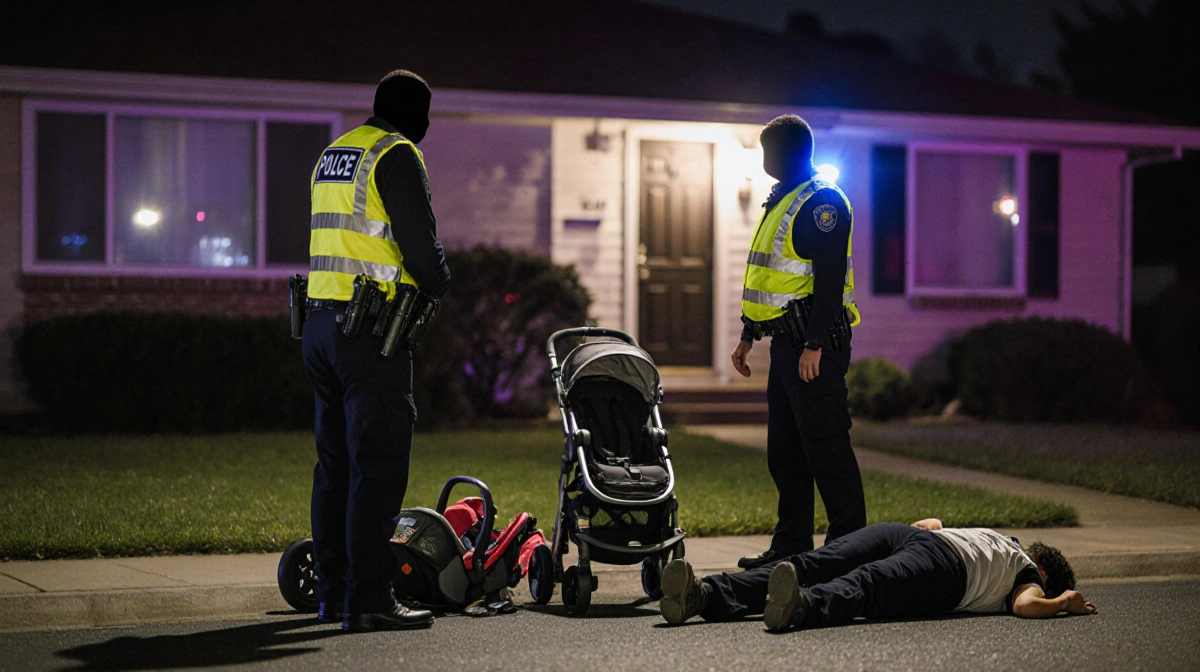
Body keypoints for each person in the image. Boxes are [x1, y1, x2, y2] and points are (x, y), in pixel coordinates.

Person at [302, 69, 451, 632]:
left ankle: (334, 594)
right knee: (379, 464)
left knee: (335, 467)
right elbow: (420, 251)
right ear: (416, 114)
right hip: (369, 334)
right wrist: (439, 279)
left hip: (320, 326)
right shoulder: (397, 154)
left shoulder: (335, 153)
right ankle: (370, 599)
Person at [731, 115, 866, 569]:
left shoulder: (822, 203)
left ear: (787, 152)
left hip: (814, 346)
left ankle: (849, 549)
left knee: (826, 448)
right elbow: (770, 280)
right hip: (785, 346)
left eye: (769, 150)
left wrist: (814, 345)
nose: (765, 159)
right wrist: (749, 335)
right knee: (786, 453)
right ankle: (790, 548)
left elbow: (828, 283)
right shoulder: (782, 199)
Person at [659, 518, 1098, 631]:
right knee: (812, 562)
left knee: (866, 583)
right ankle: (704, 595)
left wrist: (1062, 602)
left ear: (1042, 568)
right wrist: (934, 526)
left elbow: (1025, 606)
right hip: (912, 538)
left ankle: (800, 607)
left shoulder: (1028, 576)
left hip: (944, 572)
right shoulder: (1006, 541)